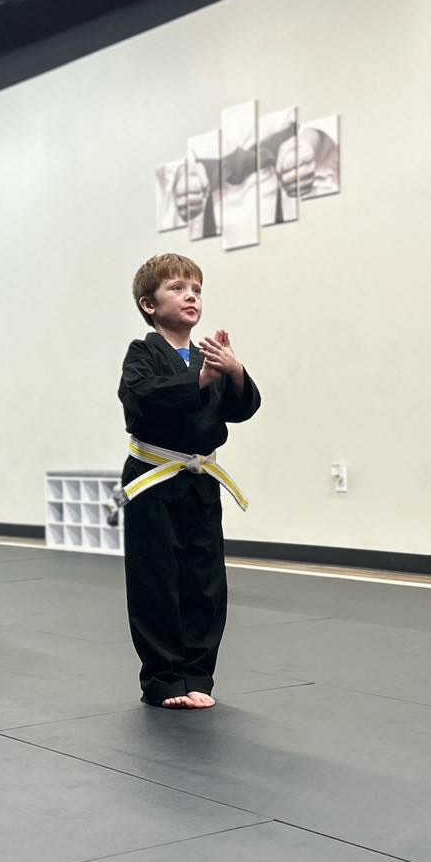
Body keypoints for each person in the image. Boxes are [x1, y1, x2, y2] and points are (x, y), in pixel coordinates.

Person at [119, 253, 261, 709]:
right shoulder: (142, 354)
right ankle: (163, 679)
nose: (191, 296)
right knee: (157, 578)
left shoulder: (208, 357)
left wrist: (234, 372)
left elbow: (239, 410)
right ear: (149, 304)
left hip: (200, 480)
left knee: (205, 579)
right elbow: (141, 399)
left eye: (196, 289)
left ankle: (198, 674)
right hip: (154, 478)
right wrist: (197, 381)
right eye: (177, 288)